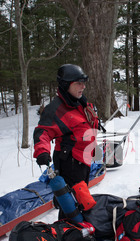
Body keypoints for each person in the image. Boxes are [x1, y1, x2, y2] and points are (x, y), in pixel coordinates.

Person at [33, 64, 99, 219]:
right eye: (78, 83)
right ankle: (70, 232)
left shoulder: (80, 103)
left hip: (84, 161)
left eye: (83, 82)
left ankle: (79, 229)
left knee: (81, 201)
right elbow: (42, 132)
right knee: (71, 204)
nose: (83, 87)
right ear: (65, 85)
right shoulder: (56, 109)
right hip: (70, 163)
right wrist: (42, 152)